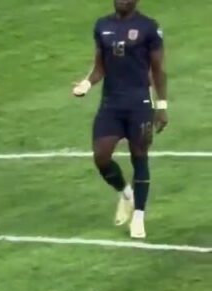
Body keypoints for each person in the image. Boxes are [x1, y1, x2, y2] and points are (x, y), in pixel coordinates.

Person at [72, 0, 168, 239]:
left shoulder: (148, 27)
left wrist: (162, 105)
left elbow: (158, 69)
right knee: (101, 155)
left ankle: (138, 217)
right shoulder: (102, 25)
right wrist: (86, 84)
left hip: (139, 105)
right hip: (111, 104)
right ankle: (126, 193)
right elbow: (99, 67)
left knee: (140, 158)